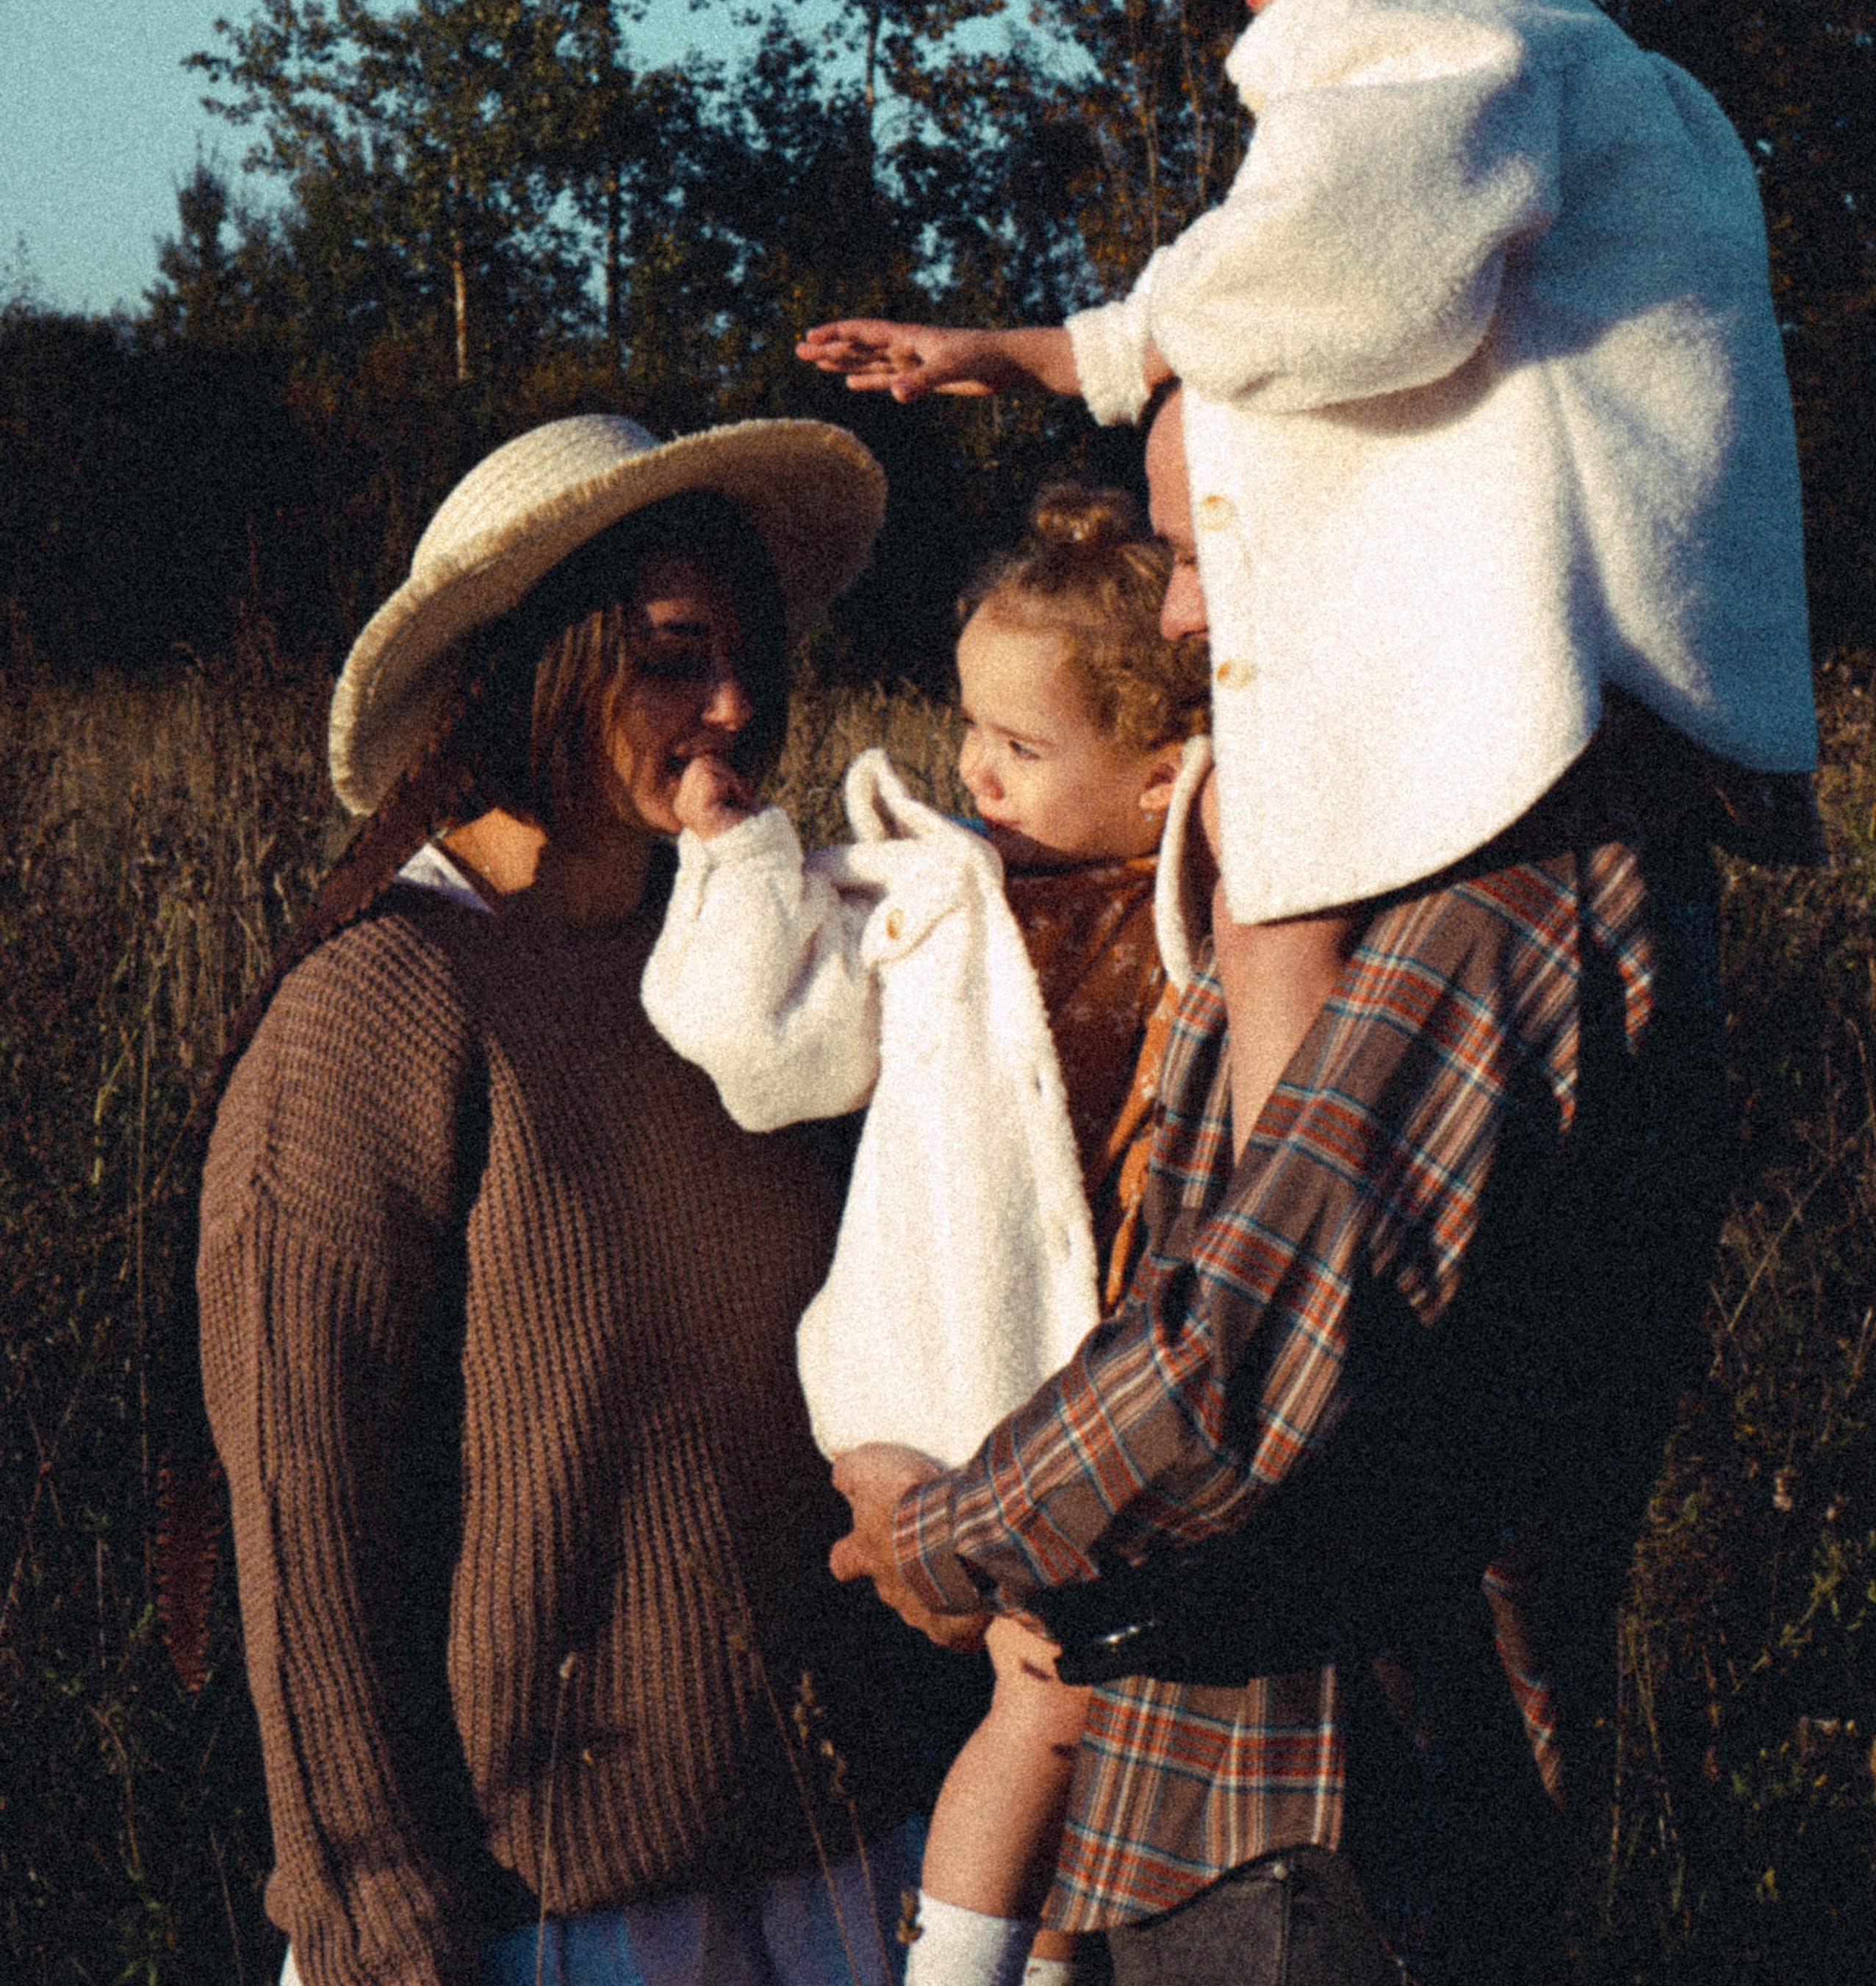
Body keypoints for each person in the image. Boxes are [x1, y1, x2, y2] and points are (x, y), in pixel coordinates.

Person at [827, 388, 1777, 1985]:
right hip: (1200, 1807)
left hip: (1319, 1815)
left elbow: (1235, 1357)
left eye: (1213, 549)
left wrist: (939, 1541)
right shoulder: (1340, 852)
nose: (1180, 609)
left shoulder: (1499, 887)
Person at [796, 0, 1820, 987]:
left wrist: (1077, 356)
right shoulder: (1532, 36)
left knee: (1269, 893)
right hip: (1604, 714)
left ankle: (1269, 1146)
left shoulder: (1440, 29)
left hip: (1537, 733)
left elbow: (1326, 276)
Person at [189, 411, 978, 1986]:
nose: (739, 705)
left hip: (842, 1872)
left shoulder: (770, 978)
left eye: (750, 651)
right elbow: (305, 1533)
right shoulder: (383, 1012)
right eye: (675, 653)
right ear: (530, 658)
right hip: (542, 1918)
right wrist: (380, 1927)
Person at [641, 484, 1212, 1986]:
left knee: (1095, 1705)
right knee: (1052, 1700)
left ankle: (1034, 1956)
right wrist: (738, 860)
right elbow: (771, 1053)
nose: (975, 770)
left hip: (1099, 1403)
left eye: (1021, 748)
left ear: (1165, 778)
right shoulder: (934, 891)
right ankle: (964, 1966)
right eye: (968, 728)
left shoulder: (1201, 901)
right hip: (936, 1379)